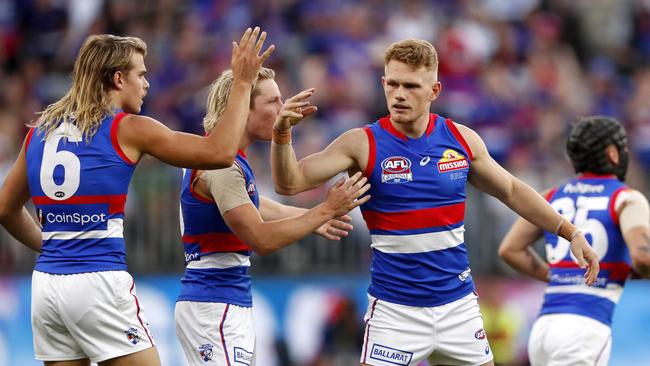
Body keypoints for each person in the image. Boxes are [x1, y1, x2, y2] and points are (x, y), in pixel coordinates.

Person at [269, 38, 600, 366]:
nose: (399, 94)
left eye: (411, 86)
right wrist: (282, 135)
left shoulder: (461, 140)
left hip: (458, 309)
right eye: (393, 84)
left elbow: (511, 190)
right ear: (383, 83)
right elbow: (290, 182)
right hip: (395, 312)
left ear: (434, 91)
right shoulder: (362, 143)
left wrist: (570, 232)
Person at [0, 27, 273, 366]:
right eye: (140, 75)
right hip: (98, 281)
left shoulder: (40, 131)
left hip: (46, 286)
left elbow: (5, 209)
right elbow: (220, 152)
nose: (146, 84)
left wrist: (54, 245)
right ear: (118, 79)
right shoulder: (128, 127)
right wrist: (243, 83)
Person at [174, 66, 371, 366]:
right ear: (242, 107)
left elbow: (254, 203)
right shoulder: (222, 167)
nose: (283, 110)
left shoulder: (219, 156)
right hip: (215, 302)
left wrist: (313, 218)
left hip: (219, 299)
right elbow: (261, 239)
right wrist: (324, 210)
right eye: (273, 101)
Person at [499, 116, 650, 366]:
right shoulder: (626, 198)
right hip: (585, 327)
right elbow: (643, 257)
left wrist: (558, 276)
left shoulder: (550, 196)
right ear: (613, 154)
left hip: (544, 329)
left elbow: (509, 249)